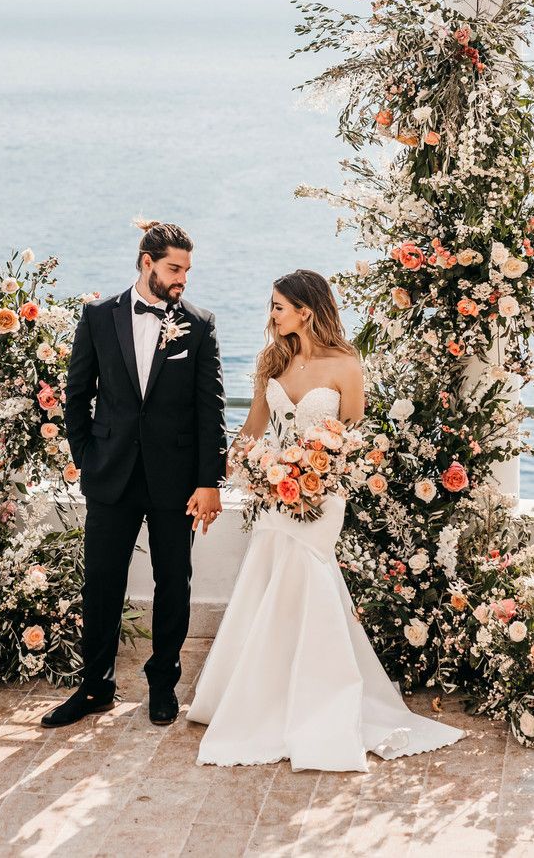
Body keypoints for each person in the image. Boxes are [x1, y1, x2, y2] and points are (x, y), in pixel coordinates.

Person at [186, 269, 465, 770]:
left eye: (277, 306)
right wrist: (220, 475)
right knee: (271, 583)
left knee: (309, 581)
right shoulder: (272, 360)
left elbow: (353, 438)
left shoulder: (345, 364)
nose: (270, 315)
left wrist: (317, 468)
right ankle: (265, 698)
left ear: (305, 310)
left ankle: (320, 702)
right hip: (274, 494)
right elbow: (253, 428)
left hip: (323, 498)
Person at [41, 219, 227, 729]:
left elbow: (210, 409)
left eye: (187, 269)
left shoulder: (199, 323)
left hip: (176, 481)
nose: (182, 278)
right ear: (147, 263)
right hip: (111, 476)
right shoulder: (99, 316)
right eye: (174, 268)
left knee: (175, 582)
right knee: (101, 582)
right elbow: (76, 395)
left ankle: (163, 683)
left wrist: (209, 480)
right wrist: (86, 456)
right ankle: (94, 686)